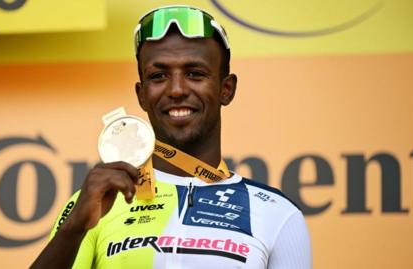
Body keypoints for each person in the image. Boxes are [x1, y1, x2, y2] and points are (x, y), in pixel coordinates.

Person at [31, 5, 311, 269]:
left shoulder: (278, 214)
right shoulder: (98, 202)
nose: (176, 89)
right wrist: (74, 228)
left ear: (227, 89)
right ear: (141, 95)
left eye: (194, 73)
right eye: (159, 76)